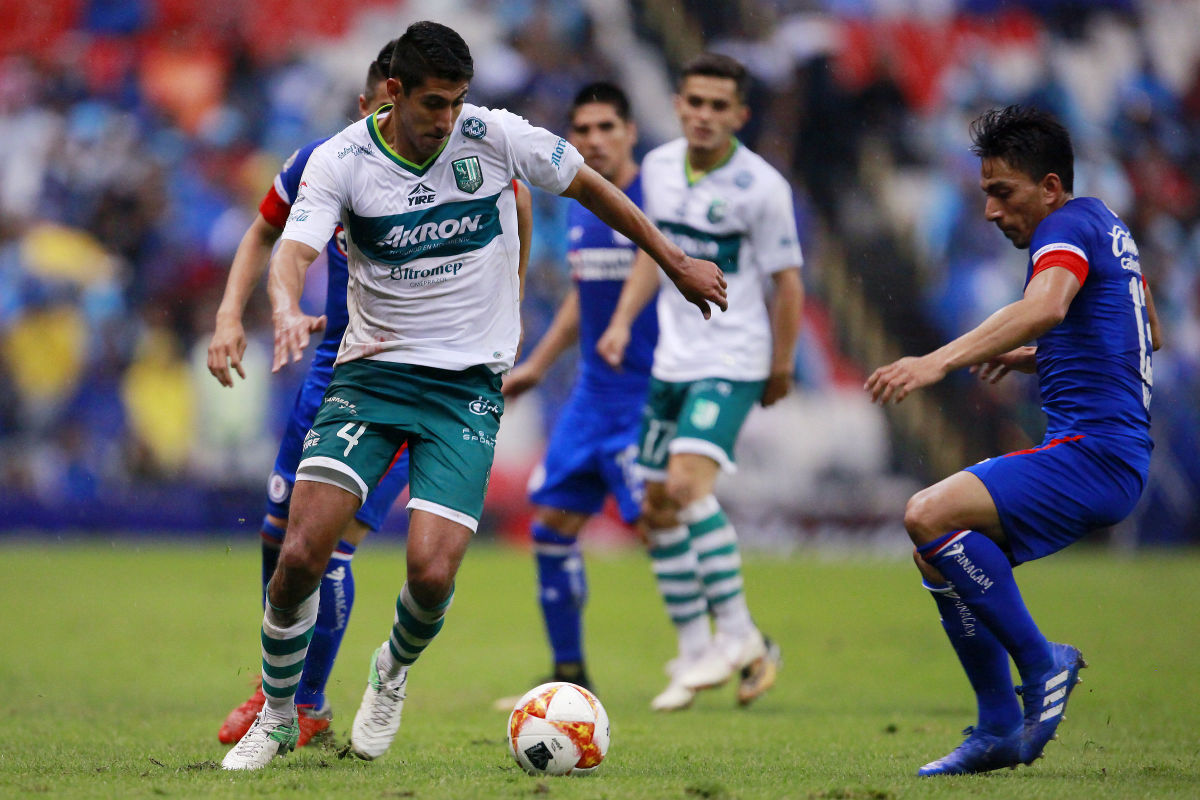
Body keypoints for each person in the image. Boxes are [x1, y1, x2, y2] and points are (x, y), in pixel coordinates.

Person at [220, 20, 725, 772]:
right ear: (392, 92)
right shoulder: (340, 159)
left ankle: (389, 675)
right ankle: (284, 712)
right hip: (370, 377)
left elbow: (589, 185)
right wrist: (284, 307)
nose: (448, 119)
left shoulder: (494, 136)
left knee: (430, 573)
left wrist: (675, 260)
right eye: (433, 103)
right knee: (297, 552)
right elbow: (290, 248)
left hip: (463, 391)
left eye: (458, 101)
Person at [206, 37, 534, 750]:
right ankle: (281, 692)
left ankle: (311, 704)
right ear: (372, 102)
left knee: (339, 550)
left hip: (422, 374)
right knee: (284, 542)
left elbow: (518, 203)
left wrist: (505, 312)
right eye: (375, 108)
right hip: (335, 369)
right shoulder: (328, 162)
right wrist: (234, 315)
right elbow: (264, 233)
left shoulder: (464, 159)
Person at [865, 105, 1160, 776]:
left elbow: (1048, 305)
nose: (993, 211)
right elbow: (1146, 331)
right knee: (938, 557)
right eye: (985, 195)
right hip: (1110, 456)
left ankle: (1041, 663)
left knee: (925, 514)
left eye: (1004, 192)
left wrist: (938, 360)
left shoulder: (1065, 227)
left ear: (1050, 187)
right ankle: (998, 727)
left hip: (1095, 453)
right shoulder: (1109, 229)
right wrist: (1039, 358)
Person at [597, 52, 803, 711]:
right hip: (671, 362)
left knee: (686, 487)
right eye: (695, 103)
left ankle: (740, 638)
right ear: (680, 104)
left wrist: (780, 362)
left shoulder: (763, 187)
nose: (705, 116)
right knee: (654, 508)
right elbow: (656, 256)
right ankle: (693, 651)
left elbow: (788, 281)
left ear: (740, 115)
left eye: (720, 106)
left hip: (734, 357)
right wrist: (625, 321)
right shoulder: (657, 169)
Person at [501, 82, 653, 695]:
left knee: (666, 524)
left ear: (630, 132)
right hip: (591, 397)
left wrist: (622, 327)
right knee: (551, 527)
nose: (593, 141)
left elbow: (663, 270)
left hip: (647, 393)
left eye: (605, 128)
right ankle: (570, 675)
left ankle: (740, 645)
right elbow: (579, 300)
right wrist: (536, 366)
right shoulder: (581, 208)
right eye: (581, 131)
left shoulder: (653, 198)